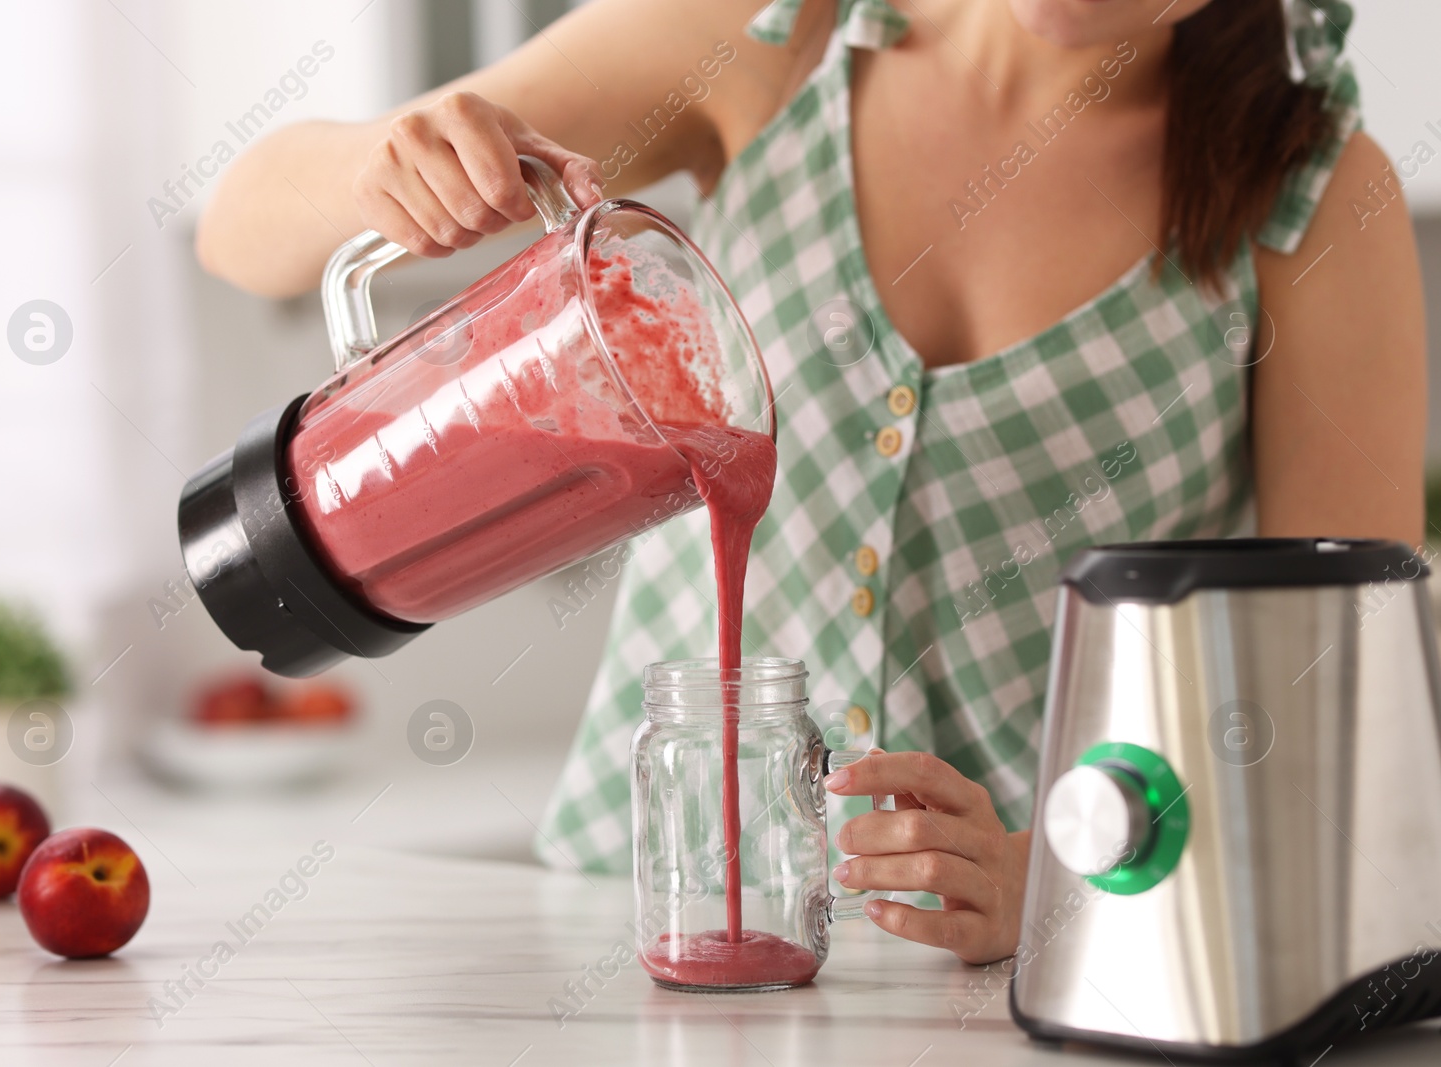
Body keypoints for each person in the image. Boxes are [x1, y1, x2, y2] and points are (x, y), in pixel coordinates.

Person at [197, 0, 1425, 966]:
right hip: (624, 949)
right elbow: (241, 223)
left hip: (1024, 986)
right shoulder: (772, 37)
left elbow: (1338, 725)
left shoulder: (1310, 202)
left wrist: (1068, 879)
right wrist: (384, 168)